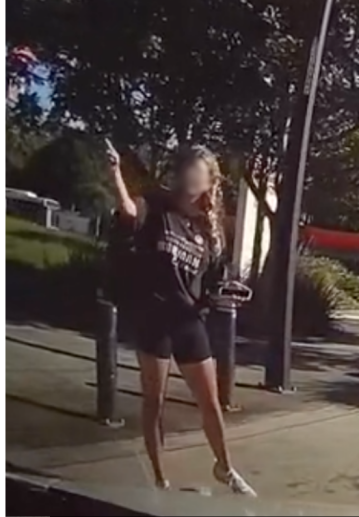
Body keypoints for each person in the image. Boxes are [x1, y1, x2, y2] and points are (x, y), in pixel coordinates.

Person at [107, 142, 257, 496]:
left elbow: (209, 280)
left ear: (208, 182)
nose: (190, 176)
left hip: (188, 320)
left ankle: (226, 468)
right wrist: (115, 173)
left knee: (210, 401)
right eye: (187, 168)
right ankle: (160, 480)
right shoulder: (156, 207)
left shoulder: (207, 229)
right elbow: (128, 213)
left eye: (198, 171)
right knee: (153, 401)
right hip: (153, 318)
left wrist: (221, 293)